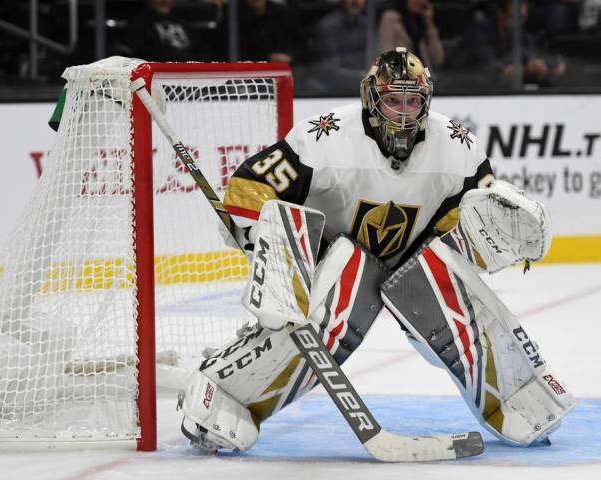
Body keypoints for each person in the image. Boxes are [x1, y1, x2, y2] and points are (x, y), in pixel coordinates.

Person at [177, 48, 575, 454]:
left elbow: (477, 218)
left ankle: (515, 396)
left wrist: (491, 236)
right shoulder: (323, 137)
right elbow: (247, 188)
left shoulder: (459, 146)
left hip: (412, 262)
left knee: (449, 282)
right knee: (335, 302)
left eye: (413, 101)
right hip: (333, 259)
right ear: (372, 98)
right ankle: (225, 393)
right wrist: (277, 252)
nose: (403, 113)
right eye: (393, 100)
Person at [312, 0, 370, 92]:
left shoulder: (367, 25)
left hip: (364, 86)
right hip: (334, 91)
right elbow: (331, 71)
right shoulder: (327, 26)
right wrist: (363, 75)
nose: (355, 2)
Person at [124, 0, 208, 62]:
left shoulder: (182, 21)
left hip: (190, 69)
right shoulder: (139, 22)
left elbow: (200, 46)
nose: (165, 1)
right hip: (159, 71)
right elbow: (137, 52)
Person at [378, 0, 445, 68]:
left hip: (423, 76)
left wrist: (429, 23)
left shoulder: (422, 22)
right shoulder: (391, 18)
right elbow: (386, 53)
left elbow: (438, 59)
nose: (419, 1)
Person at [238, 0, 303, 64]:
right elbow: (237, 53)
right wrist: (267, 58)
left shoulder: (282, 12)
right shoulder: (235, 19)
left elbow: (300, 43)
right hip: (252, 69)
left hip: (289, 65)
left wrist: (290, 56)